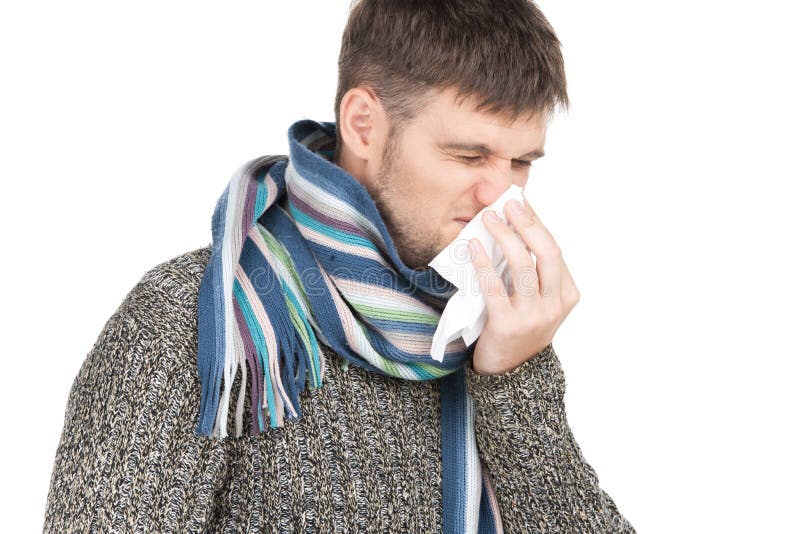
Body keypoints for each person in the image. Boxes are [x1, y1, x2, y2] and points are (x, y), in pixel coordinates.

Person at [43, 1, 636, 532]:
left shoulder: (493, 325)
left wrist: (514, 381)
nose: (500, 198)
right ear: (363, 124)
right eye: (469, 155)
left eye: (521, 163)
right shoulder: (196, 320)